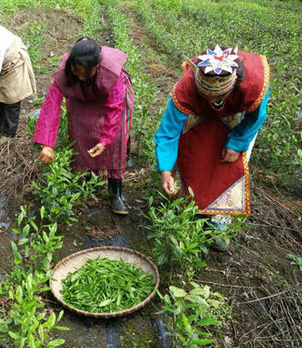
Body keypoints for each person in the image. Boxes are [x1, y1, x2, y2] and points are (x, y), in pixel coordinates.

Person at [154, 46, 270, 250]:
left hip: (235, 118)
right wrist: (165, 171)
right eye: (207, 96)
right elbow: (168, 131)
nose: (213, 102)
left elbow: (255, 117)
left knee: (227, 166)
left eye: (217, 98)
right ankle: (193, 211)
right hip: (198, 116)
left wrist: (237, 142)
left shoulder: (253, 83)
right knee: (195, 159)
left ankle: (219, 221)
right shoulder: (187, 87)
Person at [33, 38, 135, 214]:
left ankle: (115, 192)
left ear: (96, 67)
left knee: (115, 140)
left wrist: (105, 140)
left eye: (84, 73)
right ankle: (87, 179)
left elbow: (114, 108)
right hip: (80, 95)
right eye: (76, 71)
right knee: (80, 131)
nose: (80, 76)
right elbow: (51, 105)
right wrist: (47, 144)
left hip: (109, 98)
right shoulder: (65, 74)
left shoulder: (111, 73)